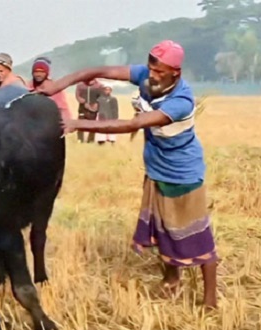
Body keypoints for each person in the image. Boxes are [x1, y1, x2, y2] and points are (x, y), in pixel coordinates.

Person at [37, 40, 219, 308]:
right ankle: (171, 280)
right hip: (156, 169)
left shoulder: (180, 101)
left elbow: (132, 124)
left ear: (175, 74)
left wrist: (78, 123)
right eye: (150, 69)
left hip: (182, 174)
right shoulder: (147, 75)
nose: (152, 75)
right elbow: (97, 70)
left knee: (195, 235)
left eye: (160, 72)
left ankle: (210, 299)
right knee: (162, 228)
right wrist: (57, 86)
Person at [23, 57, 72, 127]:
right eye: (36, 72)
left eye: (41, 72)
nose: (38, 74)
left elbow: (63, 109)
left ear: (47, 73)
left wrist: (66, 123)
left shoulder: (54, 88)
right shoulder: (26, 88)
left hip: (50, 125)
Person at [75, 78, 102, 143]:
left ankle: (90, 140)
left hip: (94, 108)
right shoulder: (80, 85)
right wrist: (83, 102)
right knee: (80, 123)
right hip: (82, 107)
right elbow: (77, 95)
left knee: (93, 125)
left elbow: (101, 96)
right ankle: (80, 139)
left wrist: (96, 103)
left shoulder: (99, 85)